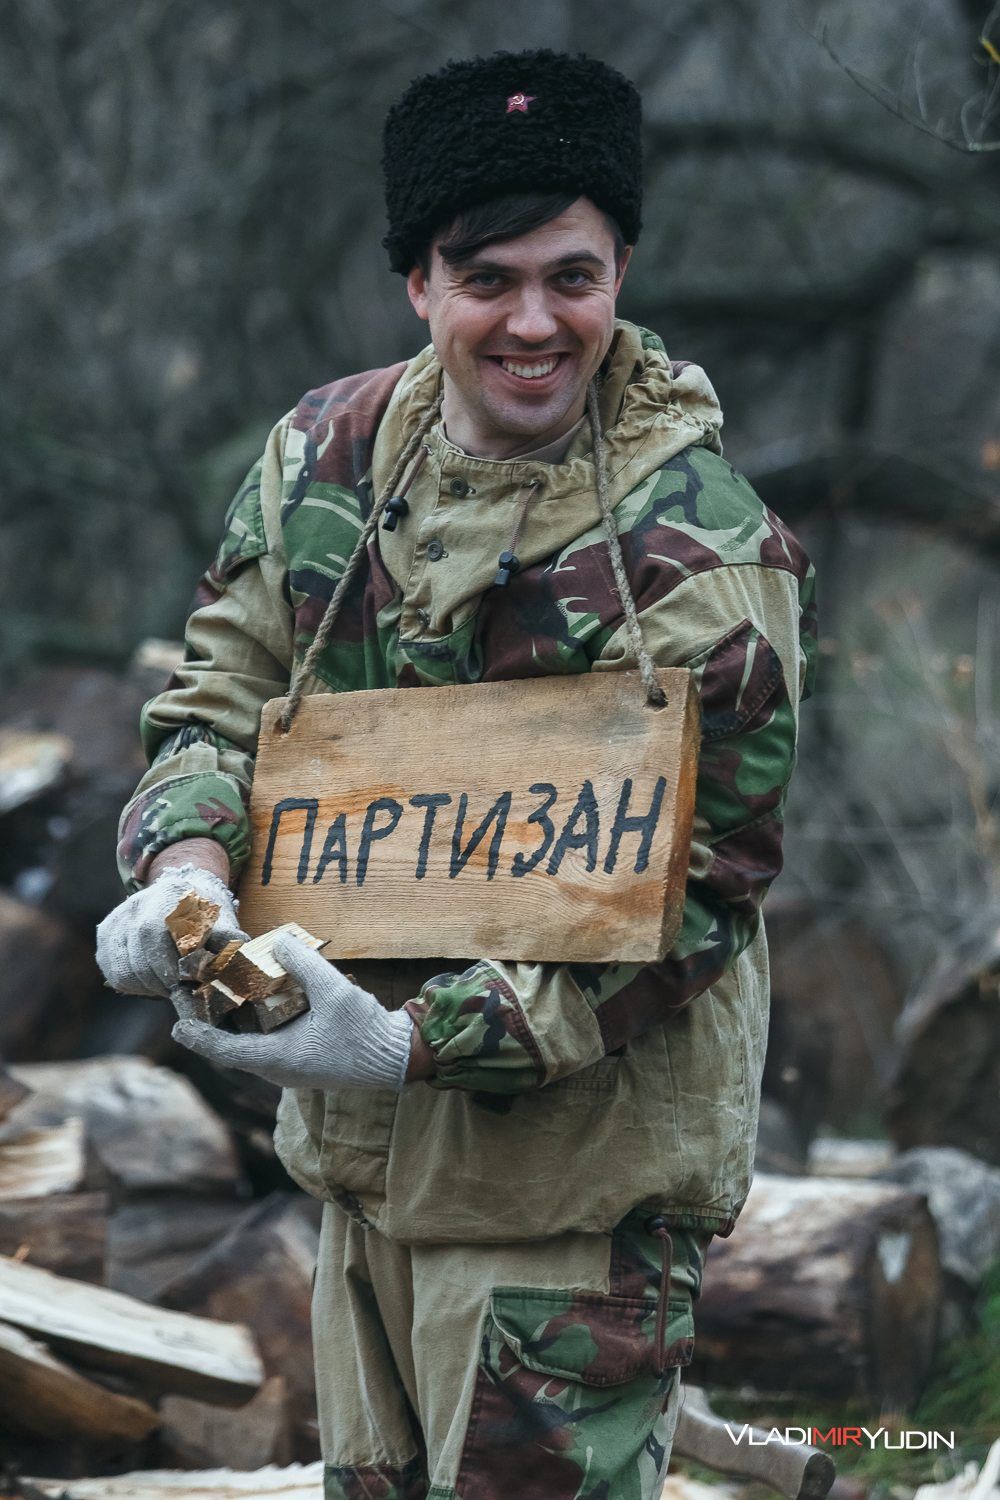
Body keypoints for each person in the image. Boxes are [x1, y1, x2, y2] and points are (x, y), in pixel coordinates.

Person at [97, 49, 816, 1500]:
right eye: (488, 279)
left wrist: (409, 1043)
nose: (536, 323)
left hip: (573, 1201)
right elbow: (219, 698)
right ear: (419, 283)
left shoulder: (700, 553)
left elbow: (697, 899)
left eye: (574, 277)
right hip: (364, 1181)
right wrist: (183, 873)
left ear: (622, 272)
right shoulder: (324, 457)